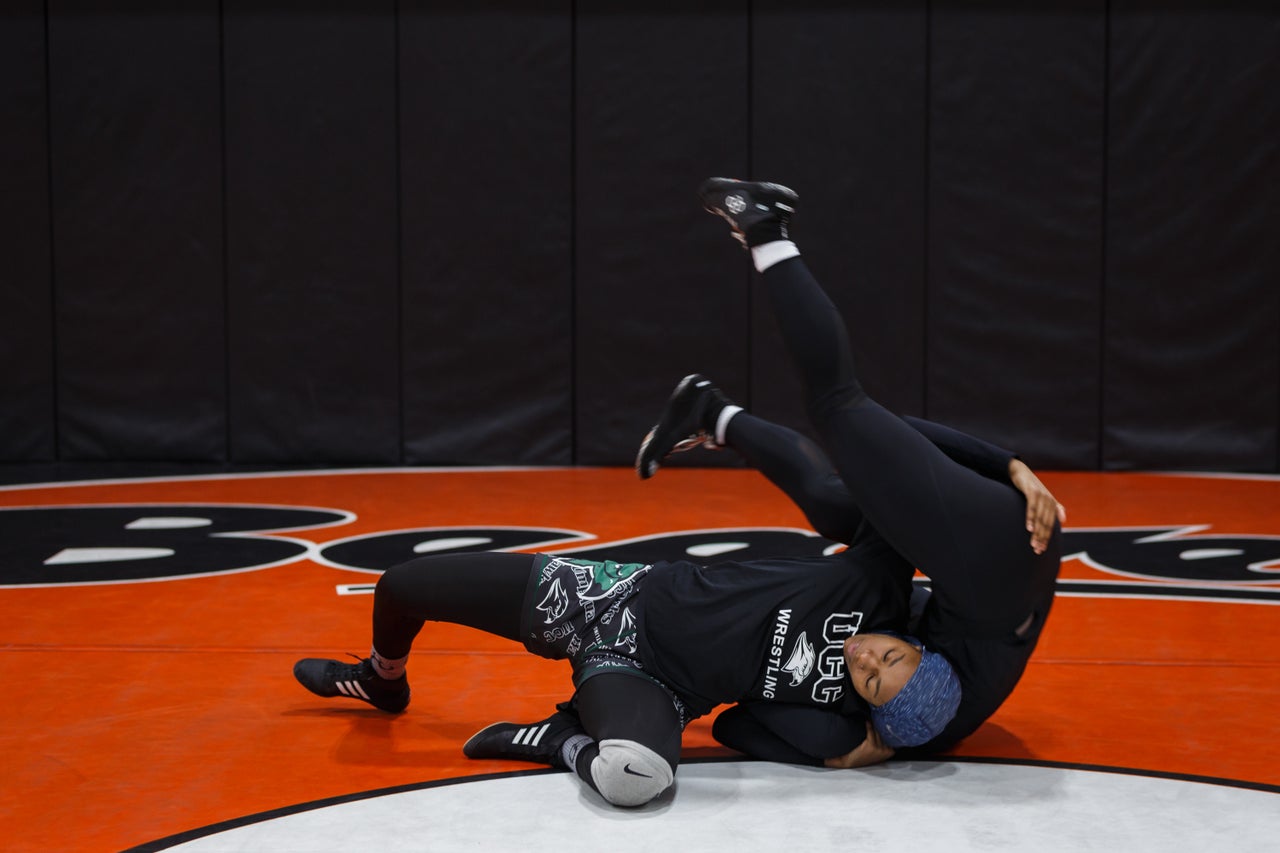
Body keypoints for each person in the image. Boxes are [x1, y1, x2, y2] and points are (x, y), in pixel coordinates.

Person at [292, 178, 1064, 805]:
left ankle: (561, 734)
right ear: (914, 639)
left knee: (638, 777)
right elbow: (874, 460)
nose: (865, 653)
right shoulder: (884, 583)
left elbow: (736, 730)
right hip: (618, 598)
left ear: (869, 703)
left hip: (651, 676)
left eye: (867, 672)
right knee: (402, 584)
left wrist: (852, 748)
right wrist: (1010, 465)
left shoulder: (840, 716)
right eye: (887, 653)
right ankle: (380, 680)